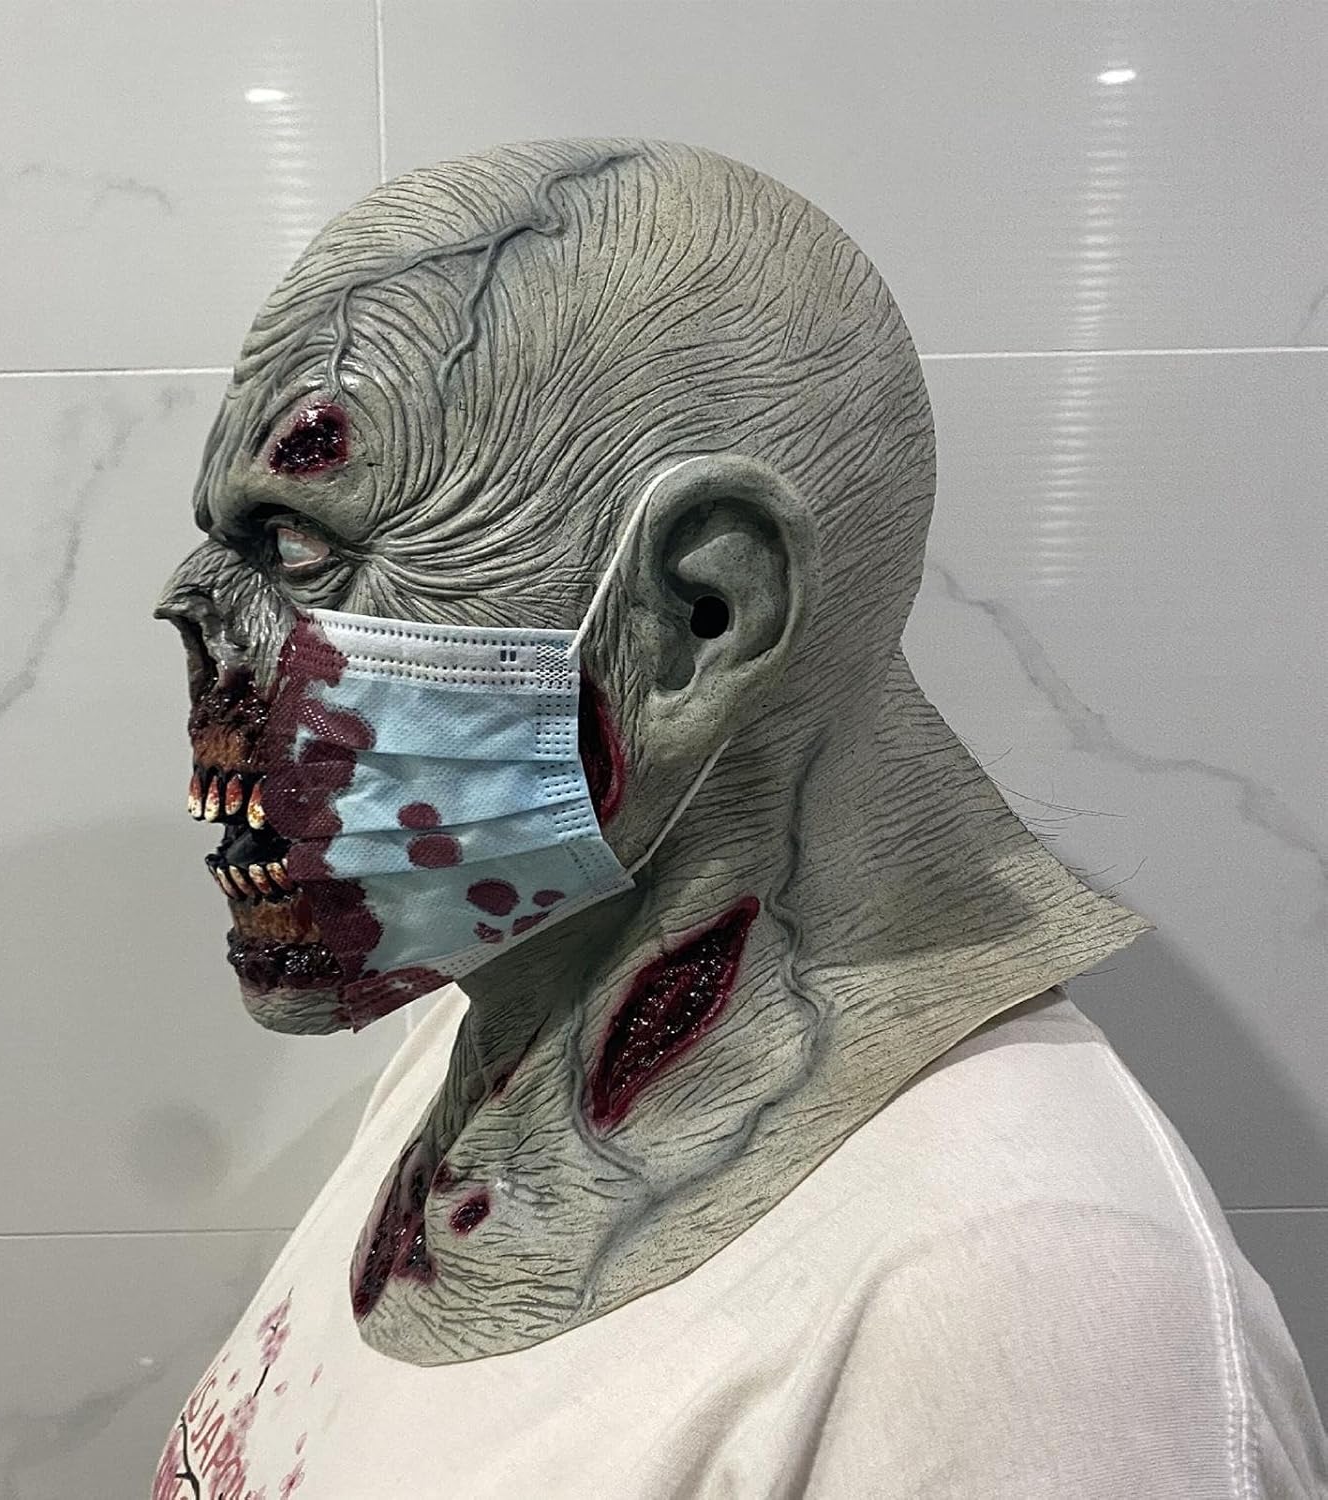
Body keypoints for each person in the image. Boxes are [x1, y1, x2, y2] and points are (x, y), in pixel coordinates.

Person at [153, 139, 1326, 1497]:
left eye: (299, 545)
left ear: (701, 616)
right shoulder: (483, 1040)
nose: (189, 608)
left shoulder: (1032, 1317)